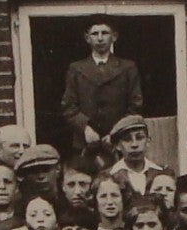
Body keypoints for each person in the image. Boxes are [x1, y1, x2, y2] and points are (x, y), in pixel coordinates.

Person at [60, 17, 144, 151]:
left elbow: (135, 105)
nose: (100, 38)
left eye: (104, 33)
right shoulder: (76, 69)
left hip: (120, 143)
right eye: (95, 34)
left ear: (114, 37)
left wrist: (116, 133)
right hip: (85, 143)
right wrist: (85, 128)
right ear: (87, 38)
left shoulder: (128, 67)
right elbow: (69, 107)